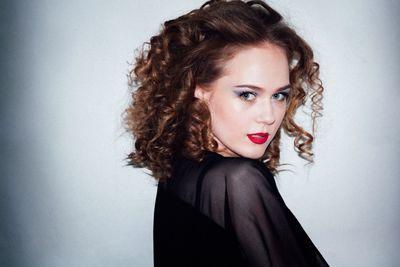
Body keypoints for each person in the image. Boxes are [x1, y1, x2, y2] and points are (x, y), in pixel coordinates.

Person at [125, 0, 329, 266]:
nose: (269, 116)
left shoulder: (180, 168)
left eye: (279, 95)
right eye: (247, 94)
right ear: (199, 89)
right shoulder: (238, 180)